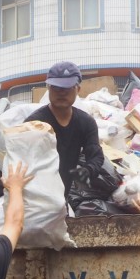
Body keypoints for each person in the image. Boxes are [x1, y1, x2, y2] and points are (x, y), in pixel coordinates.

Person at [25, 61, 104, 198]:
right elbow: (21, 162)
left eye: (67, 88)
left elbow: (96, 155)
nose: (61, 93)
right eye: (56, 88)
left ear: (78, 89)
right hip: (34, 197)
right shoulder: (34, 123)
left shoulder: (86, 123)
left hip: (61, 197)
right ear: (48, 88)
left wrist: (88, 170)